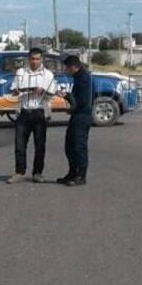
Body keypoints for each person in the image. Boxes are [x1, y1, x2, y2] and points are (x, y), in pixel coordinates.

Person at [7, 48, 56, 184]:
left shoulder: (48, 75)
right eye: (32, 59)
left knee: (40, 145)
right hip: (24, 112)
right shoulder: (21, 72)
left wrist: (43, 91)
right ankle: (19, 172)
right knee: (19, 145)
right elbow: (13, 91)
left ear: (42, 60)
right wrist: (16, 91)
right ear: (28, 59)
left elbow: (52, 94)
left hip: (39, 112)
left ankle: (37, 173)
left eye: (37, 59)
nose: (35, 62)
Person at [56, 54, 93, 187]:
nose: (65, 70)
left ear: (73, 67)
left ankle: (81, 175)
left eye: (66, 68)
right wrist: (69, 99)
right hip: (76, 115)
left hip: (82, 116)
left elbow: (82, 101)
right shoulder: (78, 77)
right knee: (69, 146)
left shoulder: (84, 78)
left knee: (79, 147)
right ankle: (72, 172)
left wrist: (67, 97)